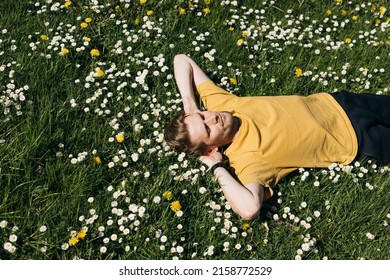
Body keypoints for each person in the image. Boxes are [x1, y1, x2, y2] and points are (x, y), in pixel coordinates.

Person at [164, 54, 390, 220]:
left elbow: (182, 60)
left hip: (340, 102)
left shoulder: (222, 105)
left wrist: (190, 106)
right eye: (208, 129)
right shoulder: (249, 160)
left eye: (203, 116)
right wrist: (216, 167)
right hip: (357, 140)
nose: (212, 118)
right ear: (211, 149)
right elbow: (249, 209)